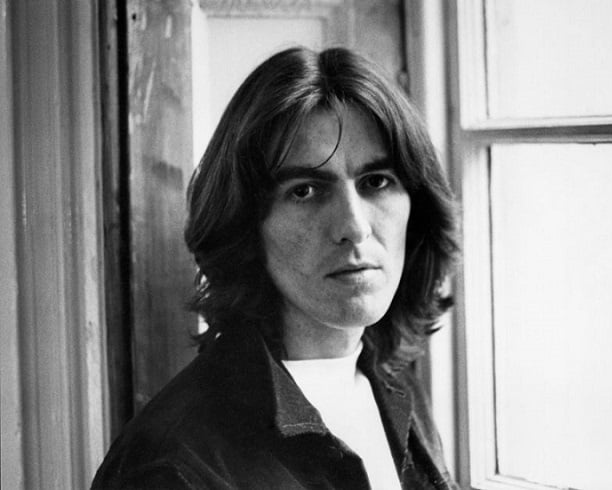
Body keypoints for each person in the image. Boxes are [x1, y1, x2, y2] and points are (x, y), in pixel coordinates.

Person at [91, 46, 459, 489]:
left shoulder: (397, 390)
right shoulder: (173, 466)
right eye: (305, 191)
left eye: (376, 182)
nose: (354, 227)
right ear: (246, 225)